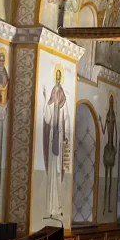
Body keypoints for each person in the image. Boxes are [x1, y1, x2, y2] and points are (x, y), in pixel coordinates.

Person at [42, 68, 70, 223]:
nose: (58, 80)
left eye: (60, 77)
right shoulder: (52, 100)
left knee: (59, 173)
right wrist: (46, 98)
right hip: (53, 136)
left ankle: (58, 207)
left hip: (59, 140)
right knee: (53, 172)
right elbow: (47, 118)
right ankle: (50, 207)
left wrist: (66, 137)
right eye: (57, 77)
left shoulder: (64, 101)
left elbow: (66, 119)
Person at [101, 94, 117, 213]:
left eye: (112, 101)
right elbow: (103, 130)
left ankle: (108, 207)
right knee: (106, 177)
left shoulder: (114, 115)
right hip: (108, 148)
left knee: (111, 178)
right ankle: (104, 207)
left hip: (111, 148)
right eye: (110, 100)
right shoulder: (108, 115)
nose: (111, 102)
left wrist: (115, 147)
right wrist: (101, 121)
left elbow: (115, 132)